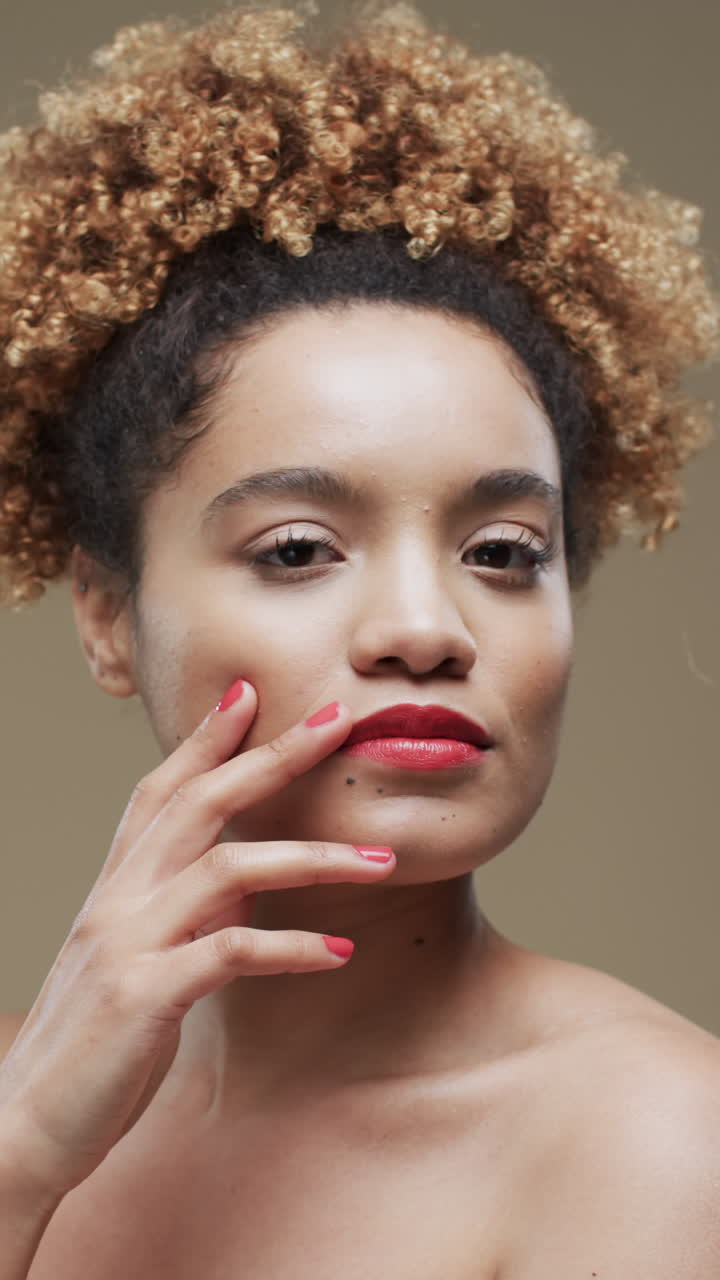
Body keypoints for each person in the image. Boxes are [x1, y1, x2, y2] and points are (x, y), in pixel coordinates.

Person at [0, 2, 718, 1275]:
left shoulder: (655, 1139)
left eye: (503, 553)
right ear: (108, 615)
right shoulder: (23, 1102)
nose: (425, 629)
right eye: (297, 549)